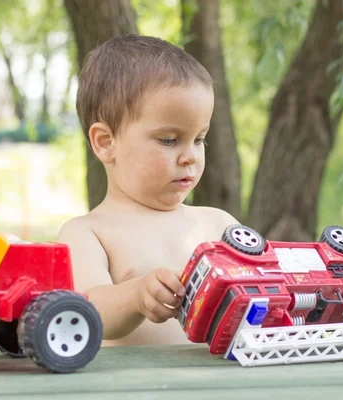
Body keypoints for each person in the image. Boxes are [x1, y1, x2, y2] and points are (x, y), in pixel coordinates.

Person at [58, 34, 240, 347]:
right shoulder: (87, 233)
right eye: (169, 140)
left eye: (199, 139)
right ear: (106, 142)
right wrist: (136, 295)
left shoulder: (219, 224)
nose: (190, 156)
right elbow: (86, 311)